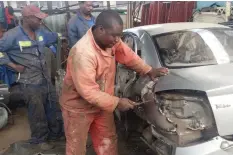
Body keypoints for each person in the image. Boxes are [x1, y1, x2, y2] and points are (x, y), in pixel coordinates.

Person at [60, 10, 169, 155]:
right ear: (100, 30)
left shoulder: (111, 40)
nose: (117, 40)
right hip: (78, 108)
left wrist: (148, 70)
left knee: (107, 140)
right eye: (114, 35)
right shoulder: (83, 53)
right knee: (76, 146)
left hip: (103, 103)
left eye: (120, 36)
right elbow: (89, 92)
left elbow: (127, 55)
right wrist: (117, 102)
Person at [0, 5, 63, 150]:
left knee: (53, 107)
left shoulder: (40, 32)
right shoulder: (12, 35)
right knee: (37, 112)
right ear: (27, 19)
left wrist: (60, 37)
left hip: (45, 79)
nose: (41, 22)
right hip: (29, 82)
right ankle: (39, 140)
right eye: (38, 19)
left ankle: (56, 134)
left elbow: (53, 37)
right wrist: (13, 66)